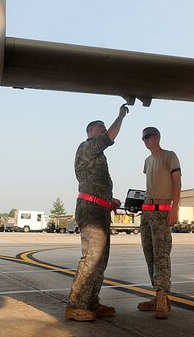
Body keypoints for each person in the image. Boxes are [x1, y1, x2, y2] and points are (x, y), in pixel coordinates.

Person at [64, 103, 129, 322]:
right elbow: (110, 137)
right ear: (91, 131)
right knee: (91, 258)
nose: (103, 130)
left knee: (101, 260)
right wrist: (120, 116)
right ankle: (76, 305)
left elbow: (95, 183)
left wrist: (110, 199)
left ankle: (91, 302)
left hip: (100, 208)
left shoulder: (97, 155)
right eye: (99, 127)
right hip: (90, 210)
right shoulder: (88, 146)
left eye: (103, 127)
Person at [138, 126, 181, 319]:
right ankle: (158, 296)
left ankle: (162, 298)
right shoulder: (147, 161)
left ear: (157, 137)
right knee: (150, 255)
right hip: (147, 213)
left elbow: (177, 183)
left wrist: (175, 208)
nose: (145, 140)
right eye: (143, 138)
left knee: (162, 254)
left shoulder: (169, 156)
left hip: (163, 212)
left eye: (148, 136)